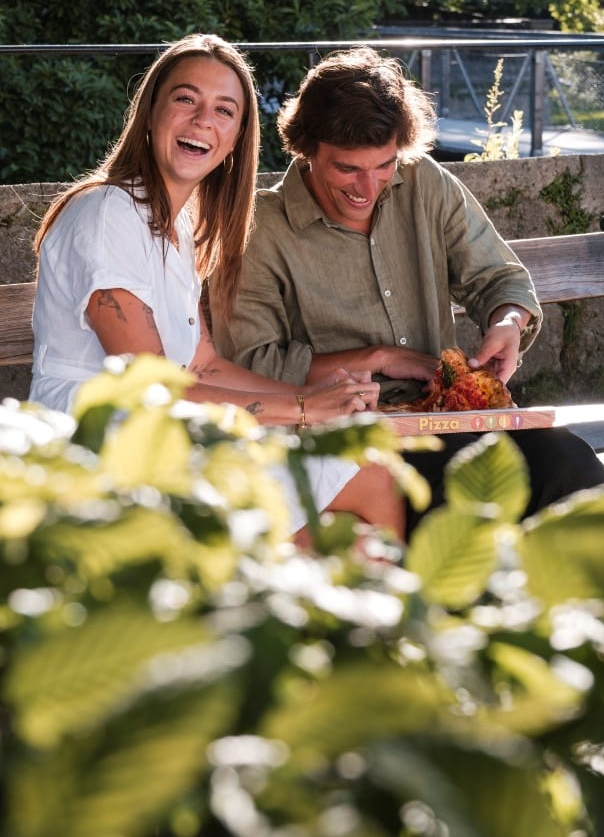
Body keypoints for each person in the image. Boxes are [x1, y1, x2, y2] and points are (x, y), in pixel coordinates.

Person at [28, 34, 405, 539]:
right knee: (369, 477)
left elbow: (203, 365)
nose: (204, 120)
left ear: (235, 139)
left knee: (359, 527)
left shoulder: (178, 225)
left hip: (166, 436)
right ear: (150, 112)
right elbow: (152, 387)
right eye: (186, 99)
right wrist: (301, 408)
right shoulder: (106, 214)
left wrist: (315, 396)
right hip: (99, 444)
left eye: (224, 110)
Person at [216, 46, 604, 522]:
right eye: (347, 169)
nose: (368, 187)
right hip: (347, 436)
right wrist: (378, 358)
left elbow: (498, 277)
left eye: (384, 165)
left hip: (450, 416)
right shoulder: (259, 228)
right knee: (458, 500)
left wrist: (508, 320)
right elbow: (252, 364)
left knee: (572, 465)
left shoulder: (424, 181)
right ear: (306, 148)